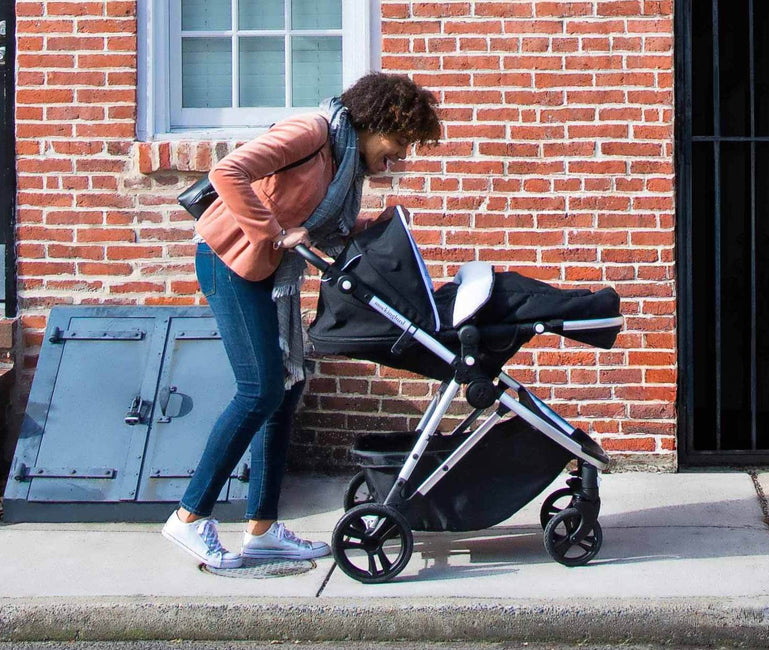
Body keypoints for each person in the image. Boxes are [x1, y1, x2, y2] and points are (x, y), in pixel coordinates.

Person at [161, 72, 442, 568]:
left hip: (266, 269)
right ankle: (189, 517)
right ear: (375, 123)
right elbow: (229, 173)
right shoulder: (310, 134)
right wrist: (273, 233)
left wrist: (363, 226)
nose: (399, 156)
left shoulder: (344, 164)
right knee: (260, 388)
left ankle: (263, 530)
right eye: (398, 141)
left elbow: (316, 220)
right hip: (229, 260)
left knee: (286, 390)